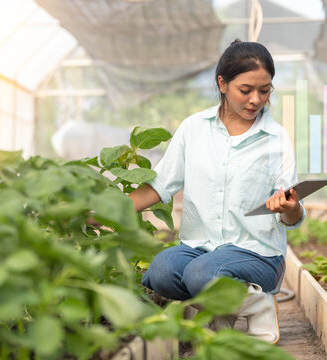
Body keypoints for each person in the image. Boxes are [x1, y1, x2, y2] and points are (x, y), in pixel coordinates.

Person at [128, 40, 305, 344]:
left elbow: (293, 215)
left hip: (258, 254)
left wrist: (290, 208)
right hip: (201, 247)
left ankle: (259, 304)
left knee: (201, 274)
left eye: (265, 91)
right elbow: (159, 186)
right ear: (222, 84)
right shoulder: (194, 128)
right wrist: (104, 210)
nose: (256, 100)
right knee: (161, 272)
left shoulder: (276, 138)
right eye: (246, 90)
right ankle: (223, 311)